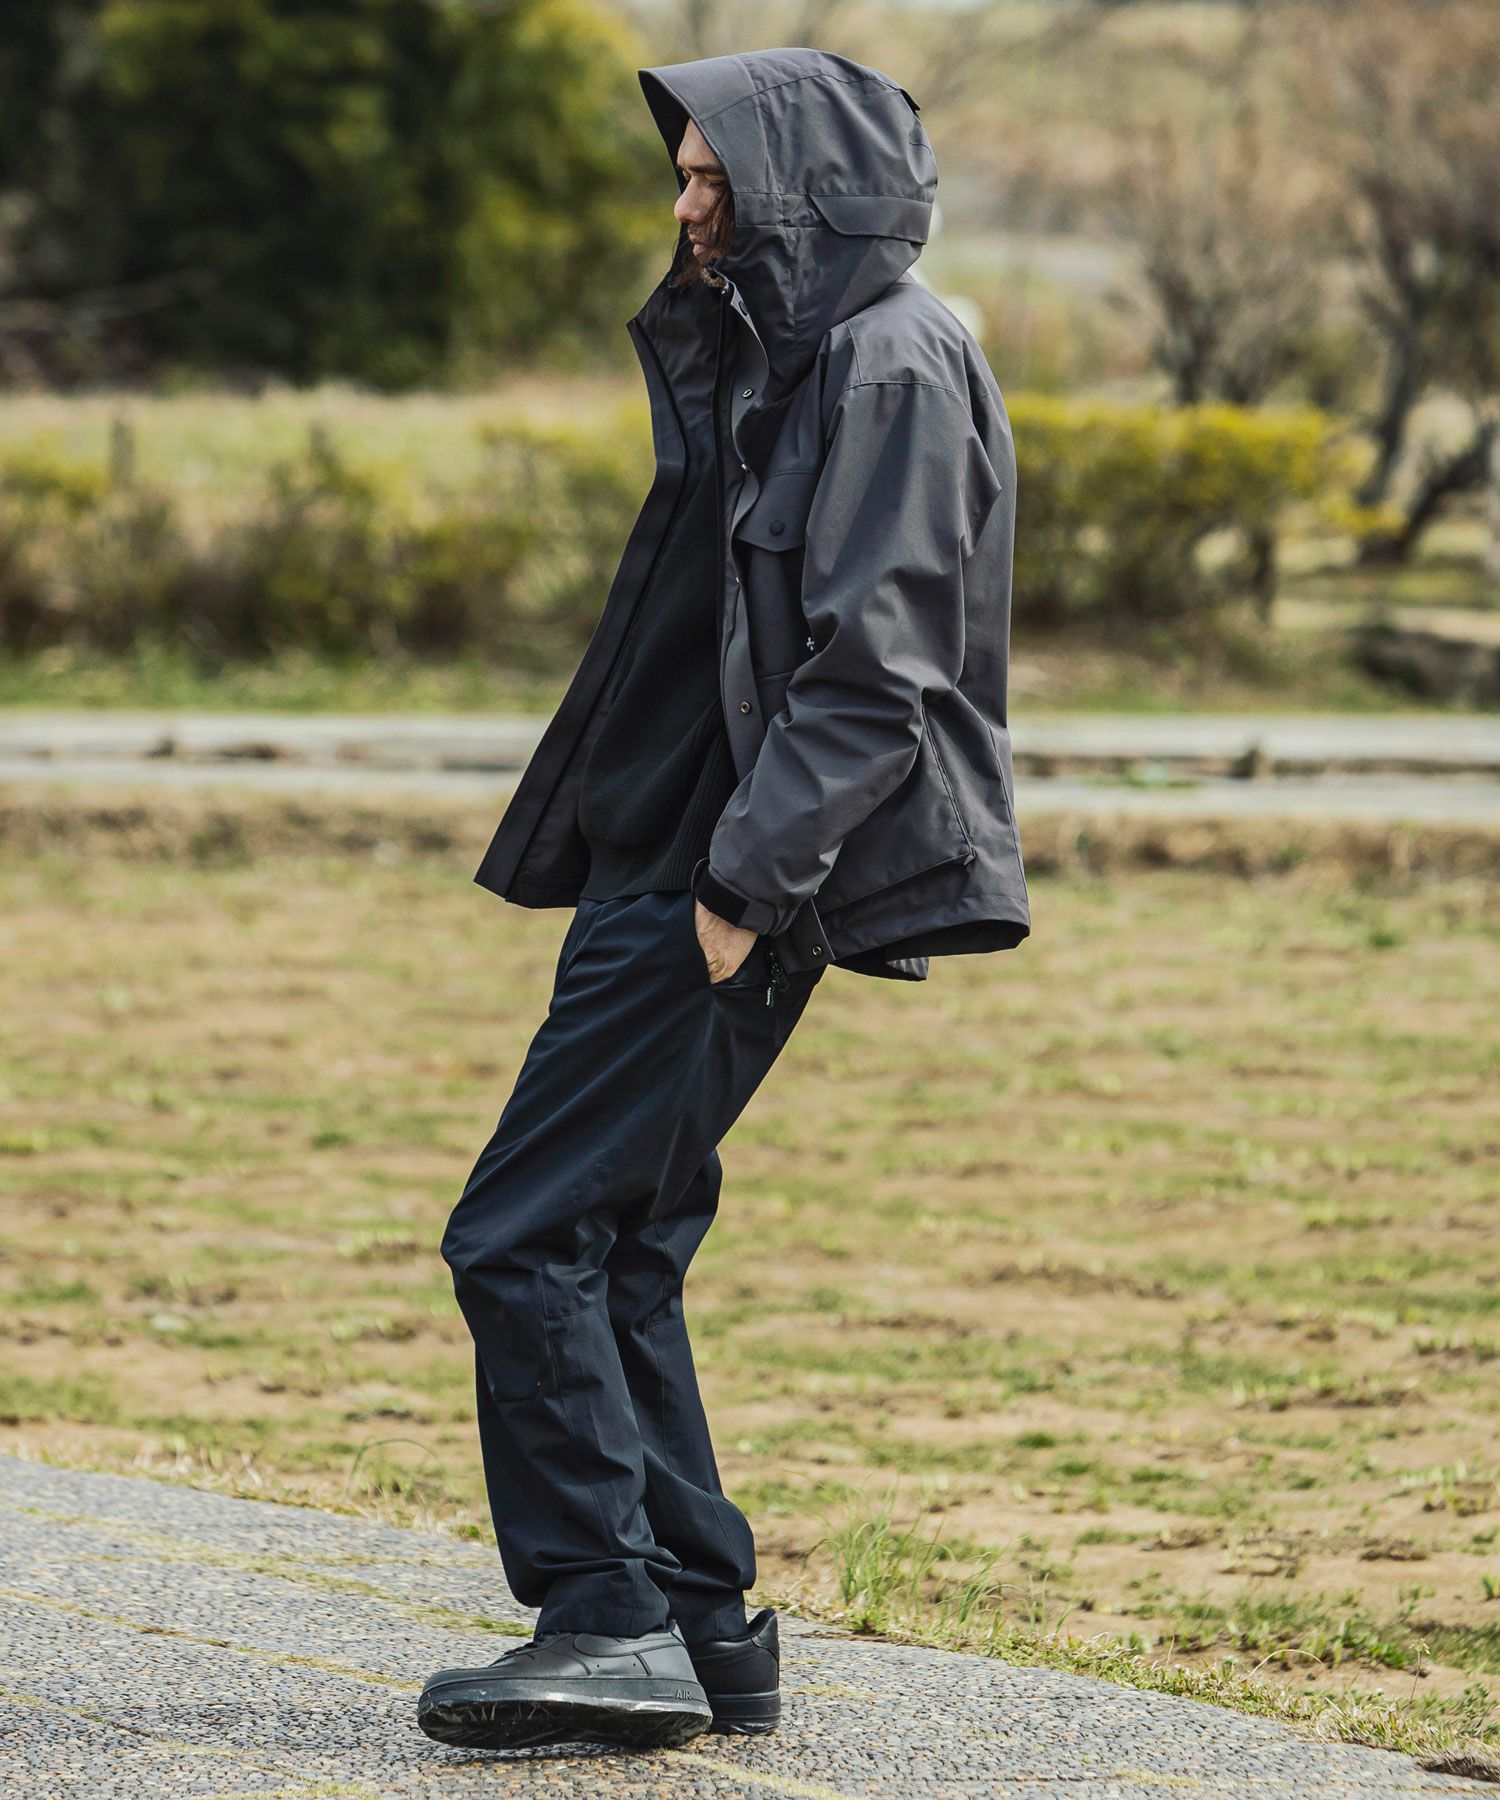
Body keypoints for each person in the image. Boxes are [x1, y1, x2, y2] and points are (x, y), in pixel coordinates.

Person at [418, 46, 1029, 1755]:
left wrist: (741, 896)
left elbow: (879, 668)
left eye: (713, 179)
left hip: (722, 877)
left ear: (805, 187)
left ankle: (603, 1620)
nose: (686, 207)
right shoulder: (787, 345)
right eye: (682, 176)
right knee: (617, 1245)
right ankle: (699, 1627)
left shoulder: (894, 358)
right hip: (666, 862)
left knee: (520, 1233)